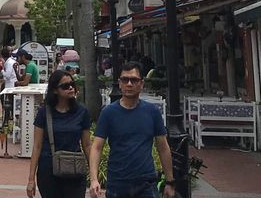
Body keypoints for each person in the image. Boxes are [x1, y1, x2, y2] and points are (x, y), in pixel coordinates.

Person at [89, 61, 176, 198]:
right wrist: (94, 180)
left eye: (134, 80)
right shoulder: (108, 113)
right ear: (119, 83)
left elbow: (163, 147)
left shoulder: (152, 112)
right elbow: (97, 147)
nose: (129, 84)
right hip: (117, 182)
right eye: (125, 80)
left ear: (141, 84)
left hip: (146, 183)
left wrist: (170, 181)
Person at [27, 69, 91, 198]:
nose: (71, 88)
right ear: (55, 90)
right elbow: (37, 146)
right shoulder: (44, 112)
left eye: (72, 84)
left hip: (75, 169)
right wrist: (31, 179)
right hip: (49, 171)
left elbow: (87, 145)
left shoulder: (82, 111)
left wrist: (94, 177)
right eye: (65, 86)